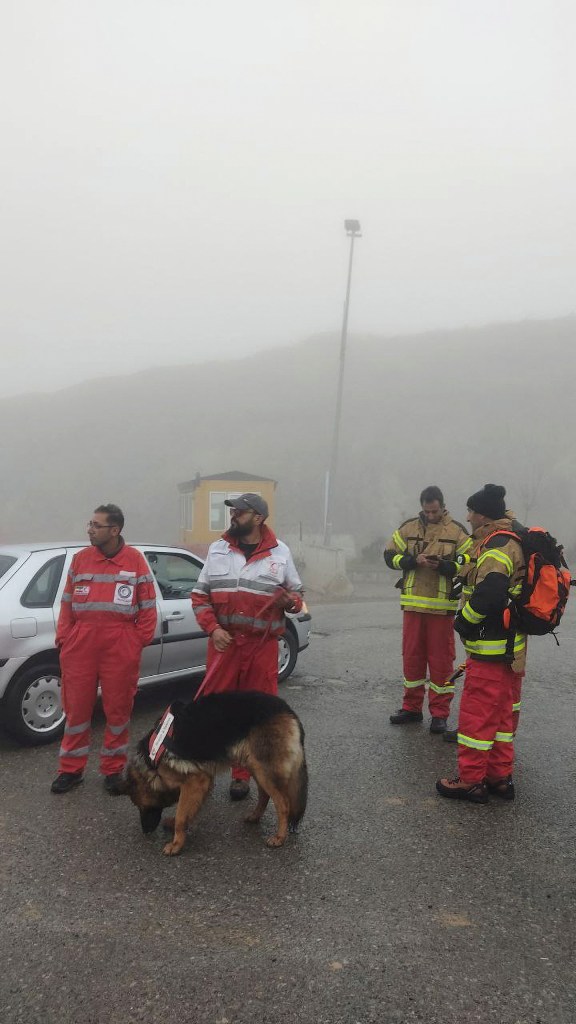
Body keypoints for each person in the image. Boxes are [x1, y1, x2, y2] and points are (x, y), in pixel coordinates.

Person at [191, 492, 304, 800]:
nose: (233, 515)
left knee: (256, 715)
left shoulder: (280, 553)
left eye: (240, 511)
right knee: (217, 713)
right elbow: (200, 596)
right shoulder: (218, 550)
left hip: (261, 648)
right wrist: (213, 629)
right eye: (233, 511)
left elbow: (298, 599)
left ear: (258, 517)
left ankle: (243, 776)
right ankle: (206, 773)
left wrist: (290, 601)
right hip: (224, 646)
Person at [51, 504, 157, 795]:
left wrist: (136, 642)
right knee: (76, 712)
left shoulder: (135, 561)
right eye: (90, 523)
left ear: (115, 530)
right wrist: (66, 638)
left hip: (120, 645)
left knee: (118, 711)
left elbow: (148, 609)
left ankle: (113, 769)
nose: (90, 529)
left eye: (96, 525)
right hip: (80, 645)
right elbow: (67, 604)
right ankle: (70, 771)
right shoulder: (80, 559)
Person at [436, 484, 526, 803]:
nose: (468, 516)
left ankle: (471, 781)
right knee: (502, 719)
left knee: (476, 719)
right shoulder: (509, 540)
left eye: (471, 510)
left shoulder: (497, 545)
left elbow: (490, 593)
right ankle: (499, 778)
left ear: (483, 514)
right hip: (509, 652)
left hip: (490, 652)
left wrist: (463, 621)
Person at [384, 486, 472, 733]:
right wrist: (413, 561)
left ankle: (440, 715)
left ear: (442, 506)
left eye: (434, 511)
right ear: (422, 507)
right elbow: (389, 555)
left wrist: (446, 566)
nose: (430, 515)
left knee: (441, 662)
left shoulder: (456, 531)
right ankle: (411, 708)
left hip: (441, 609)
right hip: (412, 606)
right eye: (426, 511)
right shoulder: (409, 527)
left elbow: (470, 561)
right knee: (412, 659)